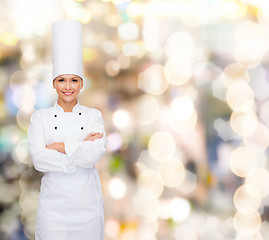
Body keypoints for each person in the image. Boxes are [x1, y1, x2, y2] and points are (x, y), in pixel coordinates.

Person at [27, 19, 107, 240]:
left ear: (81, 83)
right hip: (53, 210)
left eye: (74, 80)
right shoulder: (39, 118)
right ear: (54, 84)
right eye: (61, 80)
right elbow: (39, 159)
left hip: (87, 208)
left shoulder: (94, 116)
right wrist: (79, 150)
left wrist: (59, 147)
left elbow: (95, 153)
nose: (68, 87)